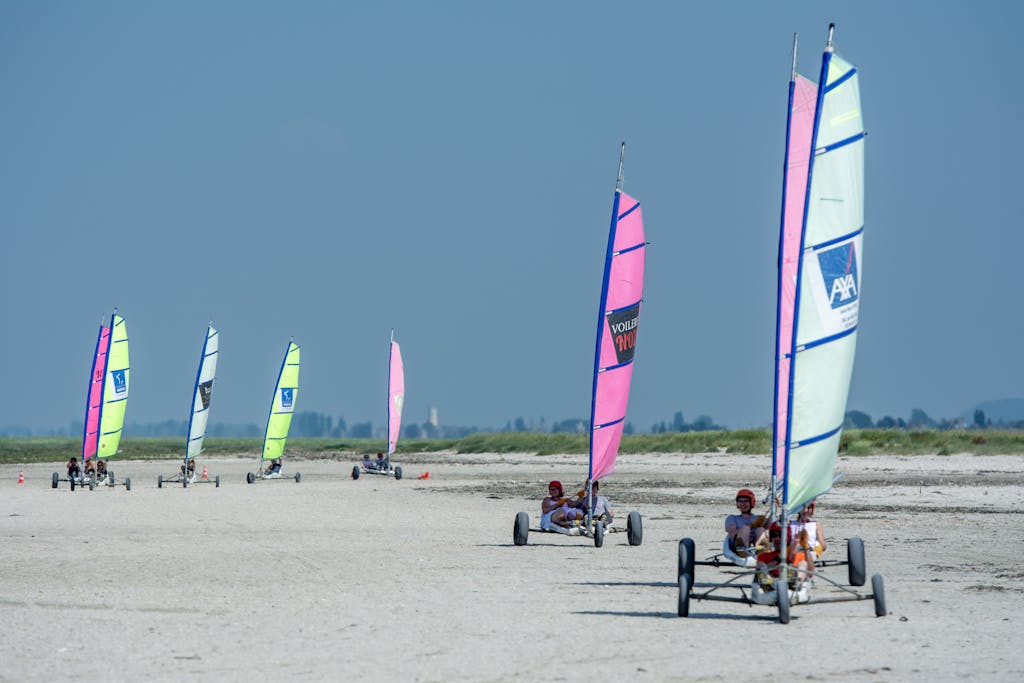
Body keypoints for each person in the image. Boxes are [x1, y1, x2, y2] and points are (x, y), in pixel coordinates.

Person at [788, 501, 826, 576]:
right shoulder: (790, 523)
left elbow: (823, 546)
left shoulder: (815, 525)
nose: (805, 510)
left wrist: (816, 546)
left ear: (811, 510)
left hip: (809, 551)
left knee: (803, 561)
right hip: (793, 550)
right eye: (803, 508)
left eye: (808, 508)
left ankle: (799, 578)